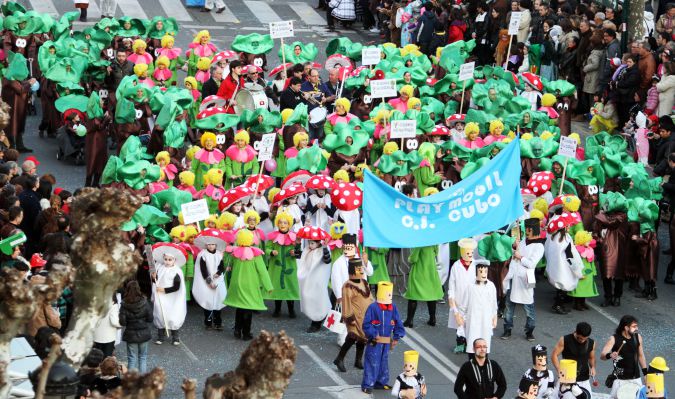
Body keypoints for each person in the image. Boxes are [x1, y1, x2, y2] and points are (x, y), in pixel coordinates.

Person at [502, 218, 545, 340]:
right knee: (509, 305)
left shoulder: (539, 246)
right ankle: (507, 329)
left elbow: (531, 264)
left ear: (534, 229)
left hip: (528, 277)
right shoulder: (522, 242)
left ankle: (529, 331)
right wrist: (515, 247)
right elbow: (514, 254)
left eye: (529, 229)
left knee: (529, 307)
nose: (526, 231)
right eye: (526, 229)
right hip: (515, 276)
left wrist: (520, 257)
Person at [361, 281, 405, 394]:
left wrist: (396, 337)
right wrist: (373, 333)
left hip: (386, 342)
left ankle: (380, 382)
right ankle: (368, 384)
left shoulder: (392, 307)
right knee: (372, 360)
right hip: (375, 341)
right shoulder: (373, 308)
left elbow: (398, 322)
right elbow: (366, 324)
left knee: (383, 361)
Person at [333, 258, 373, 372]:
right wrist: (350, 318)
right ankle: (339, 358)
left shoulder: (364, 282)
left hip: (364, 317)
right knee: (351, 338)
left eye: (361, 269)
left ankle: (358, 360)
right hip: (354, 317)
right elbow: (346, 303)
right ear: (352, 270)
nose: (361, 271)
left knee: (363, 338)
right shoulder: (348, 286)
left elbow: (369, 297)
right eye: (358, 269)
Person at [601, 315, 648, 396]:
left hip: (635, 378)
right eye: (634, 326)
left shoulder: (638, 337)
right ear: (626, 327)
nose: (637, 329)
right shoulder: (614, 339)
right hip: (620, 379)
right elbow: (602, 356)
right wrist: (610, 355)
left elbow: (641, 356)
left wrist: (646, 374)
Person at [151, 243, 187, 346]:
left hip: (173, 298)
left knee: (172, 316)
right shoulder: (160, 268)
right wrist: (153, 277)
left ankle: (175, 337)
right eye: (166, 259)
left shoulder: (176, 271)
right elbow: (155, 281)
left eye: (170, 260)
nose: (167, 262)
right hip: (161, 297)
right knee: (160, 315)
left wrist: (164, 290)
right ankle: (160, 337)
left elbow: (177, 287)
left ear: (174, 260)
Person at [551, 322, 597, 394]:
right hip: (567, 378)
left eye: (584, 339)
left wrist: (593, 367)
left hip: (584, 378)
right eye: (580, 338)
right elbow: (554, 355)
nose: (582, 340)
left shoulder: (592, 343)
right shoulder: (565, 340)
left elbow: (591, 358)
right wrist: (560, 371)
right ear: (575, 332)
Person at [118, 280, 153, 373]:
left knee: (131, 358)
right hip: (144, 333)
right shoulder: (145, 302)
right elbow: (150, 319)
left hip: (130, 334)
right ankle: (142, 381)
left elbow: (122, 322)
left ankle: (131, 382)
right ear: (138, 289)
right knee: (143, 357)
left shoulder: (124, 304)